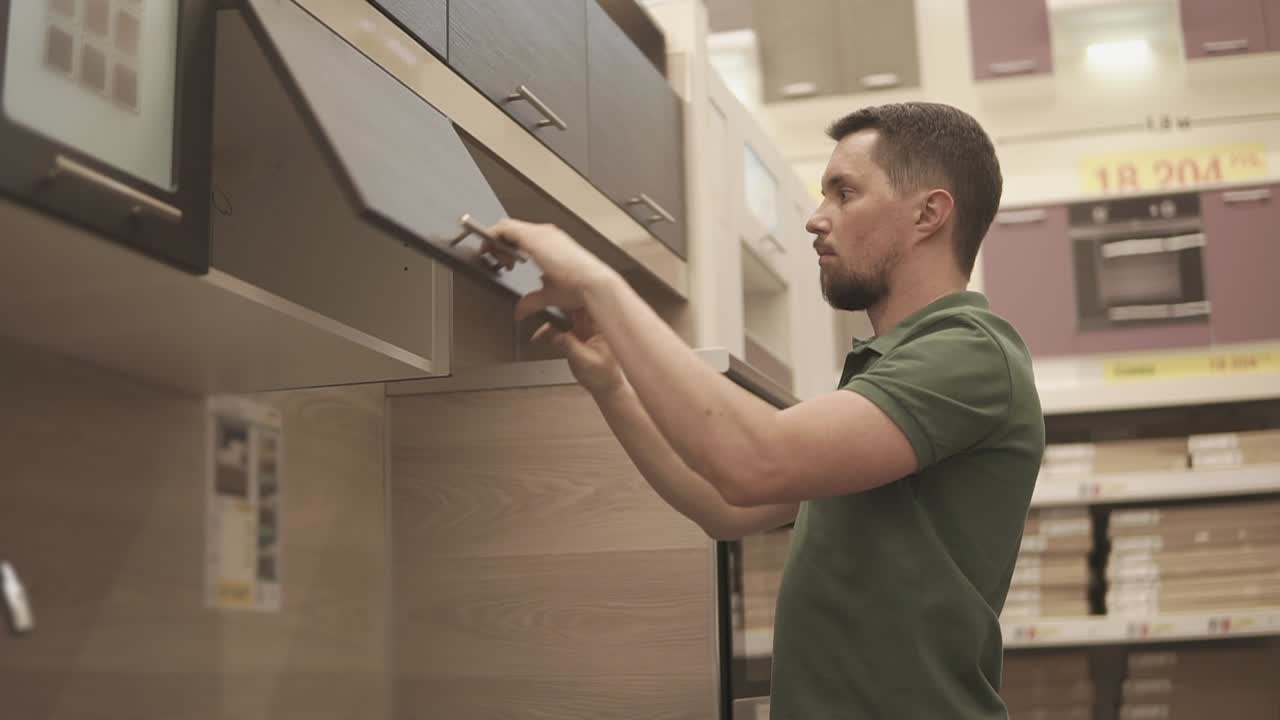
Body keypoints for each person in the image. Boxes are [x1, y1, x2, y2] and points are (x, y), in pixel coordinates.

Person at [482, 102, 1045, 719]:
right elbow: (725, 506)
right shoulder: (891, 366)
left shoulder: (967, 352)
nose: (815, 218)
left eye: (844, 193)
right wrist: (611, 386)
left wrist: (599, 281)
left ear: (929, 213)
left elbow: (753, 462)